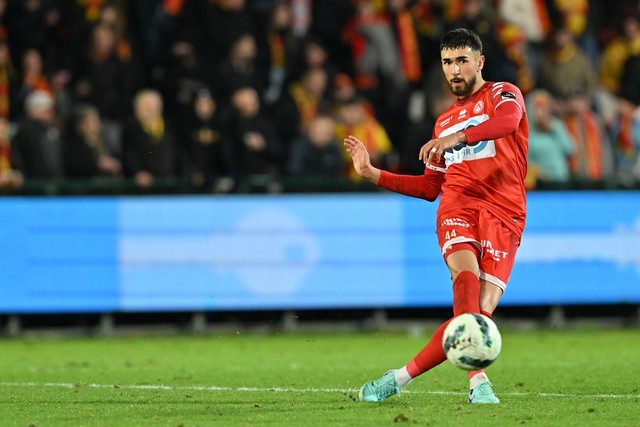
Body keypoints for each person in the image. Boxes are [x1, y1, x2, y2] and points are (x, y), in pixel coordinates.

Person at [343, 28, 529, 404]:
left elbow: (508, 123)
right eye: (447, 62)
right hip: (457, 207)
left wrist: (460, 138)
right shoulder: (442, 123)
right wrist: (372, 174)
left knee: (479, 318)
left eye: (462, 61)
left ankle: (397, 378)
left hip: (505, 213)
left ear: (480, 62)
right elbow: (430, 188)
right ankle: (478, 381)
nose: (455, 70)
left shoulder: (502, 94)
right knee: (465, 276)